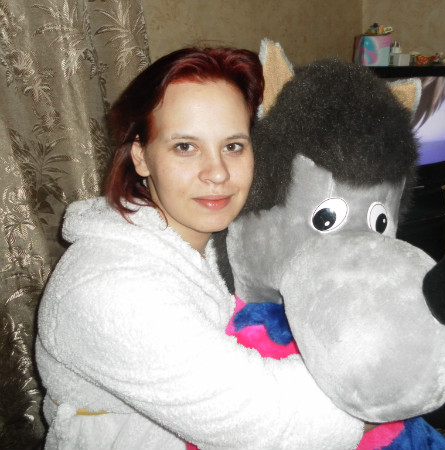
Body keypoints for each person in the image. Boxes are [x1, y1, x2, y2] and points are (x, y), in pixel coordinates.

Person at [35, 47, 367, 450]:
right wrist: (393, 373)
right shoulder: (110, 289)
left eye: (233, 146)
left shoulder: (221, 237)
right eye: (185, 147)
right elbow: (270, 420)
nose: (217, 173)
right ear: (141, 156)